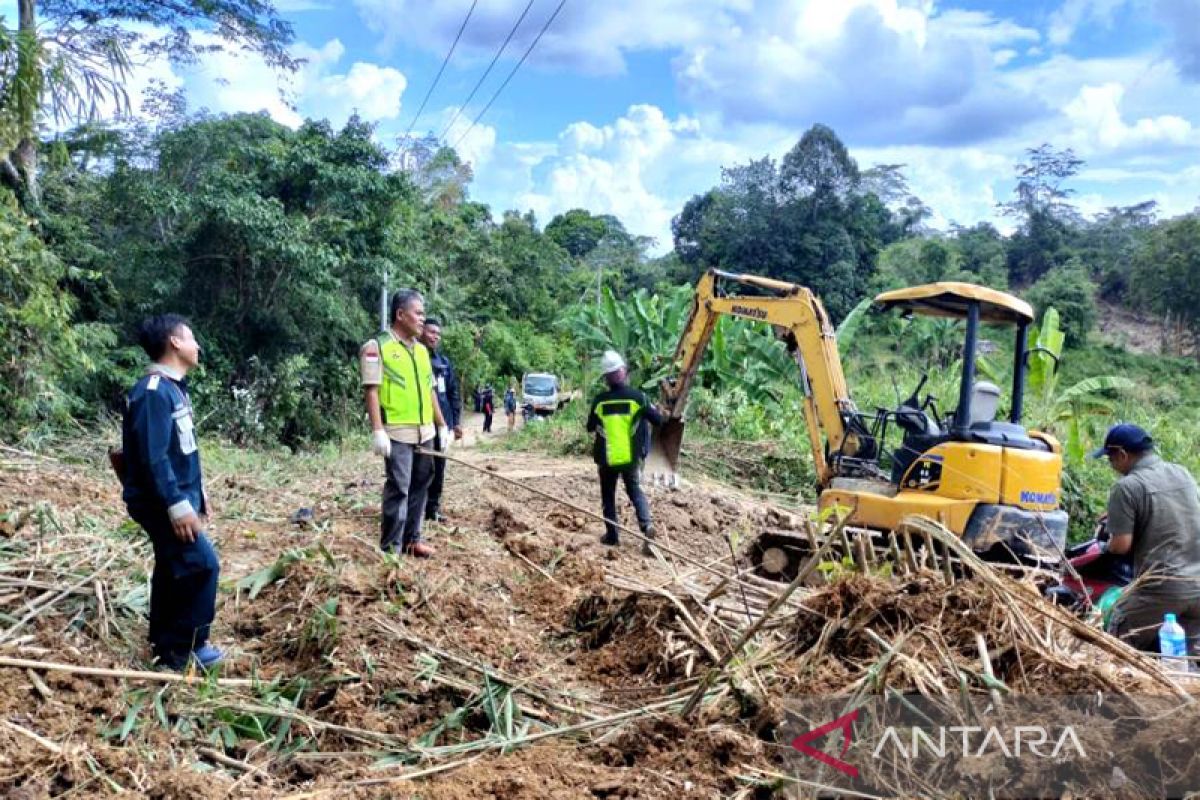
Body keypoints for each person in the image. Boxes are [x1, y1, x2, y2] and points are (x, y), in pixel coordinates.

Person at [120, 314, 223, 671]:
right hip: (160, 502)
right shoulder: (152, 393)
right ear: (175, 343)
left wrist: (197, 495)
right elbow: (153, 457)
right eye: (192, 338)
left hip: (175, 496)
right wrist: (177, 505)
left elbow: (181, 451)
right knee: (202, 565)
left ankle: (165, 644)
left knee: (172, 565)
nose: (198, 346)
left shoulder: (172, 388)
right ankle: (186, 649)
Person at [1092, 423, 1200, 655]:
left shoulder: (1128, 486)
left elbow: (1121, 546)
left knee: (1113, 645)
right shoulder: (1182, 472)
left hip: (1162, 588)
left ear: (1122, 454)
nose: (1111, 465)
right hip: (1197, 585)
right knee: (1185, 660)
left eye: (1110, 459)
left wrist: (1106, 543)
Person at [360, 289, 447, 557]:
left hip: (424, 431)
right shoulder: (377, 347)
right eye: (418, 313)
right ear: (400, 314)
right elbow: (371, 390)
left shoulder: (421, 352)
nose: (422, 319)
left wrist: (441, 426)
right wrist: (378, 430)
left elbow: (430, 390)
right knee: (399, 487)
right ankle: (391, 549)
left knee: (422, 483)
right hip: (397, 432)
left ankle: (412, 539)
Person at [586, 350, 663, 556]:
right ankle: (647, 526)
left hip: (607, 458)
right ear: (624, 372)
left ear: (606, 378)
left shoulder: (600, 401)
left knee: (608, 496)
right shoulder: (638, 398)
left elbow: (590, 427)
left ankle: (612, 536)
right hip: (630, 458)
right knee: (635, 491)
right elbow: (658, 421)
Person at [421, 317, 463, 523]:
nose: (435, 337)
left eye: (438, 334)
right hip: (421, 422)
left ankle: (432, 508)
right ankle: (416, 507)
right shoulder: (417, 359)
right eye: (431, 332)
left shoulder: (444, 363)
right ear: (421, 332)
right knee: (420, 467)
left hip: (443, 424)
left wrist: (456, 423)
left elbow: (454, 393)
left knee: (439, 467)